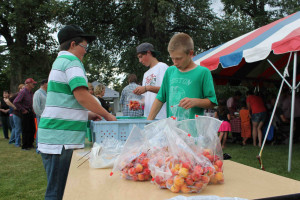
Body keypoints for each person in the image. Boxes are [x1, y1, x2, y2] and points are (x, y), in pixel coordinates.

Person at [37, 25, 116, 200]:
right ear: (73, 44)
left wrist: (88, 115)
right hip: (61, 141)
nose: (85, 52)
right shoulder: (72, 62)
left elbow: (63, 102)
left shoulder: (59, 62)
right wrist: (107, 114)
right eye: (85, 47)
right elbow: (81, 95)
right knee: (58, 193)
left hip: (54, 138)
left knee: (58, 190)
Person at [147, 33, 217, 120]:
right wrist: (147, 123)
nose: (175, 62)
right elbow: (160, 99)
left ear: (190, 53)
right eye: (172, 58)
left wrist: (195, 101)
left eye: (179, 58)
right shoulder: (170, 71)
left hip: (193, 131)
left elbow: (212, 102)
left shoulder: (203, 72)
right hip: (172, 129)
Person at [133, 42, 168, 119]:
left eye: (141, 56)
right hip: (148, 118)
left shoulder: (162, 67)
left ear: (148, 53)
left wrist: (147, 88)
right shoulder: (146, 74)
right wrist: (139, 103)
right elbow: (147, 97)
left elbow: (167, 90)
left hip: (161, 117)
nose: (140, 60)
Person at [13, 78, 37, 150]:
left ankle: (30, 144)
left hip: (30, 112)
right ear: (28, 84)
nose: (34, 84)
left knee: (32, 129)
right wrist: (23, 110)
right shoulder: (23, 92)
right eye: (33, 83)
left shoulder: (31, 92)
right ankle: (25, 145)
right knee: (26, 129)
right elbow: (16, 102)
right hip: (26, 113)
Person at [33, 79, 48, 152]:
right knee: (40, 131)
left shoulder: (46, 93)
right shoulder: (38, 93)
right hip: (41, 116)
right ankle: (38, 148)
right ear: (45, 84)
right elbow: (36, 106)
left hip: (46, 116)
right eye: (48, 83)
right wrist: (40, 115)